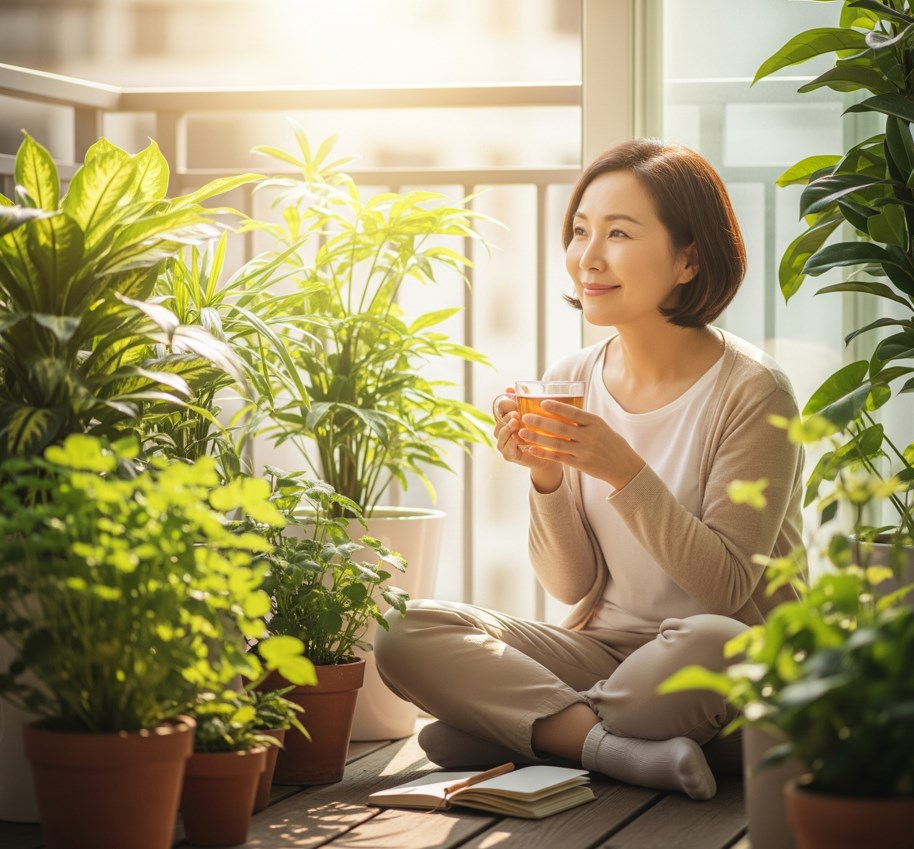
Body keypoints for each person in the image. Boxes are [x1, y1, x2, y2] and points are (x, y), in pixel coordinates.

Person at [374, 138, 804, 800]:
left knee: (715, 642)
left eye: (619, 233)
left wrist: (622, 468)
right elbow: (570, 582)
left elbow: (723, 587)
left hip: (719, 659)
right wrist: (545, 477)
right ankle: (613, 747)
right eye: (580, 231)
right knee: (406, 629)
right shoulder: (572, 378)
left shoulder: (753, 392)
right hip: (604, 655)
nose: (587, 257)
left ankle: (522, 730)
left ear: (689, 258)